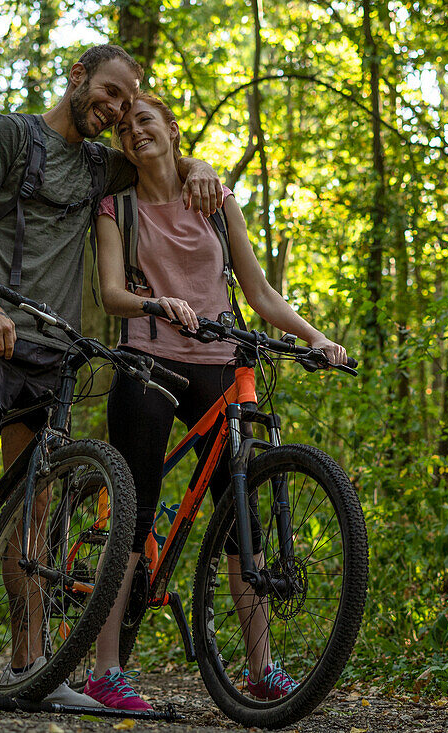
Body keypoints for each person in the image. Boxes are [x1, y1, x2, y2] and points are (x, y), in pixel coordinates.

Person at [0, 46, 224, 704]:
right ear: (77, 77)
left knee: (35, 507)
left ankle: (28, 665)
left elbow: (159, 159)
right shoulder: (10, 135)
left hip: (51, 351)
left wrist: (199, 163)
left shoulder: (99, 167)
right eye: (110, 92)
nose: (117, 109)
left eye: (126, 101)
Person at [88, 93, 347, 710]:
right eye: (125, 128)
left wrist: (313, 337)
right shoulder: (115, 206)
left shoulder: (214, 196)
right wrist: (155, 304)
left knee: (243, 515)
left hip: (219, 359)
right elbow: (109, 294)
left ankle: (261, 669)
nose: (134, 132)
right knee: (136, 510)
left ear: (173, 131)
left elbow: (258, 291)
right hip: (148, 358)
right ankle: (104, 671)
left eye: (145, 121)